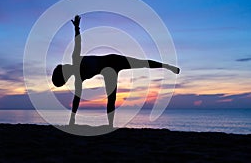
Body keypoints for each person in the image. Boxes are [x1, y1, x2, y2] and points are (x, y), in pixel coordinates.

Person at [52, 15, 180, 127]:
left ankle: (167, 66)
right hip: (109, 70)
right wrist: (72, 121)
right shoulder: (78, 78)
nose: (65, 66)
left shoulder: (76, 63)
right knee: (112, 97)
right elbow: (76, 100)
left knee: (141, 63)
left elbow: (77, 42)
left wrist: (77, 28)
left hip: (113, 61)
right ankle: (110, 125)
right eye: (63, 70)